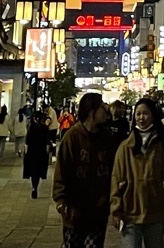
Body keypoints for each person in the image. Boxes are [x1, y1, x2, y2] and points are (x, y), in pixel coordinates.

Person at [110, 98, 164, 248]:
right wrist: (116, 209)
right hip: (130, 212)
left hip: (155, 212)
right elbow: (116, 178)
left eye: (145, 113)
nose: (141, 118)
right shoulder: (125, 147)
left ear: (153, 115)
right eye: (138, 114)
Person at [56, 93, 121, 248]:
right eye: (102, 108)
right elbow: (62, 169)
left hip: (99, 209)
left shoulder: (107, 137)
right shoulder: (72, 137)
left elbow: (114, 168)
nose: (106, 111)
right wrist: (60, 198)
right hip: (75, 210)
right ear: (92, 111)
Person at [24, 103, 56, 199]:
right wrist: (47, 152)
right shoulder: (44, 128)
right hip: (41, 152)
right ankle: (35, 186)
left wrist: (26, 152)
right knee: (38, 171)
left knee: (33, 170)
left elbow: (27, 142)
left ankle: (34, 187)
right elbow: (47, 142)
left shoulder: (32, 128)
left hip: (32, 152)